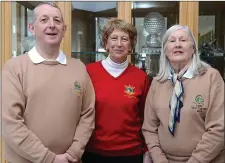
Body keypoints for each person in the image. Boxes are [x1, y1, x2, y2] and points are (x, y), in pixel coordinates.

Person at [2, 2, 95, 163]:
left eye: (57, 21)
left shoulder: (79, 68)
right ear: (32, 28)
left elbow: (88, 114)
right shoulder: (14, 68)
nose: (52, 25)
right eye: (44, 20)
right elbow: (10, 123)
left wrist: (73, 152)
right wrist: (49, 159)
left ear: (64, 30)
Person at [142, 24, 224, 163]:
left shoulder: (211, 77)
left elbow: (219, 129)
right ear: (165, 50)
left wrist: (196, 160)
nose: (177, 45)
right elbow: (149, 128)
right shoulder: (157, 82)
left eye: (183, 40)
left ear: (193, 48)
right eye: (172, 41)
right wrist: (159, 158)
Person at [82, 18, 150, 163]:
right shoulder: (88, 72)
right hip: (94, 152)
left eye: (124, 39)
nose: (119, 44)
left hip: (131, 154)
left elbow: (147, 118)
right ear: (106, 43)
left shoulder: (140, 77)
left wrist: (147, 150)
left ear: (131, 45)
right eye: (114, 38)